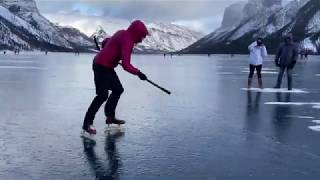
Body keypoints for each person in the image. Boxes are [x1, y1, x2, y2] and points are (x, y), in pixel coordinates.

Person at [82, 20, 149, 135]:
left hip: (107, 66)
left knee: (118, 89)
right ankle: (87, 123)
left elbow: (107, 41)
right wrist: (139, 73)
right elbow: (127, 66)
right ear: (137, 33)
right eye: (142, 36)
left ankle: (110, 117)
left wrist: (110, 53)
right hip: (100, 66)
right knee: (102, 95)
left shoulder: (121, 32)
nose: (142, 39)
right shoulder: (128, 41)